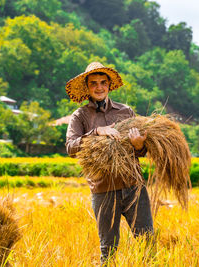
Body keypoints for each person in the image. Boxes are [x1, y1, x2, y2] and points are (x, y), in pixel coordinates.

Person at [65, 62, 154, 264]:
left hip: (133, 187)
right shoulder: (80, 116)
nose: (99, 87)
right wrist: (96, 132)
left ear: (109, 85)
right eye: (94, 83)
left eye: (103, 83)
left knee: (147, 242)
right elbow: (71, 148)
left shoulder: (125, 112)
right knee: (108, 250)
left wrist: (138, 145)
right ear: (87, 87)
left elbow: (142, 151)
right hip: (103, 190)